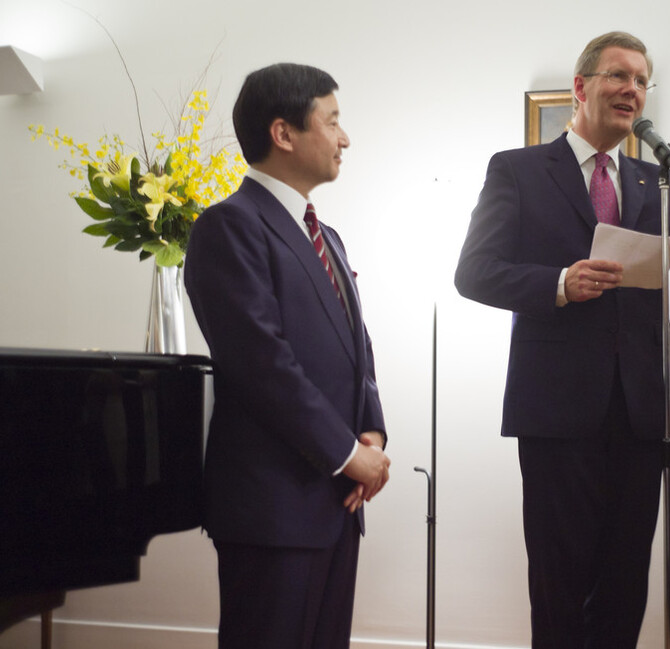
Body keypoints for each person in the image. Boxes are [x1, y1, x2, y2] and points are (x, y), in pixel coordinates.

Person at [454, 32, 670, 649]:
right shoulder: (516, 170)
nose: (632, 89)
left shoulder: (657, 183)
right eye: (619, 76)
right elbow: (474, 272)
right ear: (581, 87)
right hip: (557, 410)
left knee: (626, 582)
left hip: (641, 410)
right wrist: (560, 283)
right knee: (561, 581)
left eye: (642, 80)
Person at [184, 63, 391, 649]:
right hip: (272, 507)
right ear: (283, 133)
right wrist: (348, 454)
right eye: (332, 121)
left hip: (336, 503)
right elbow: (261, 363)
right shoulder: (228, 227)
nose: (344, 138)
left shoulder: (329, 237)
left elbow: (358, 349)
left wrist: (371, 434)